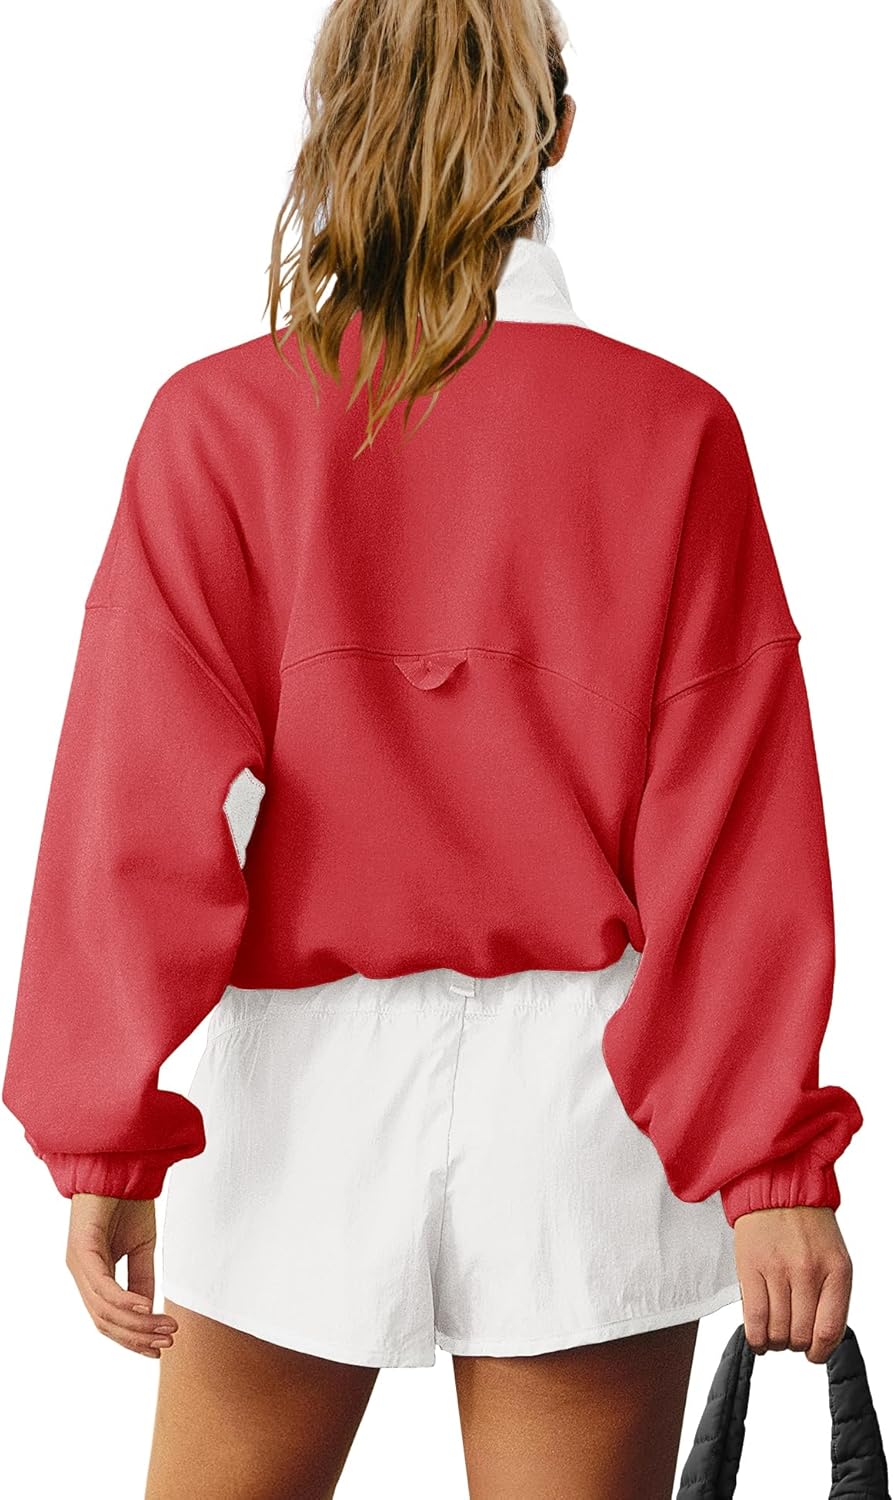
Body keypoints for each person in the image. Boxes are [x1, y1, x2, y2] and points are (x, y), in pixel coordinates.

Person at [2, 2, 863, 1497]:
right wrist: (767, 1164)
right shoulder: (670, 431)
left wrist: (108, 1134)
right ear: (559, 135)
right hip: (591, 1097)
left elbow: (132, 813)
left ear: (329, 118)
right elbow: (731, 827)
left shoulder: (220, 424)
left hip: (297, 1090)